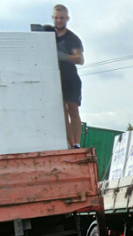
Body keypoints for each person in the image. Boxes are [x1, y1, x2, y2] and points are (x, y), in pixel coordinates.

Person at [52, 4, 84, 149]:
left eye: (62, 18)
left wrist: (64, 56)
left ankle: (77, 143)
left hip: (71, 79)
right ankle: (70, 144)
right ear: (53, 18)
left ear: (67, 18)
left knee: (73, 109)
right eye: (57, 18)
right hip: (55, 79)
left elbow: (80, 59)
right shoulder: (47, 34)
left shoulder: (72, 39)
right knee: (61, 112)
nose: (59, 21)